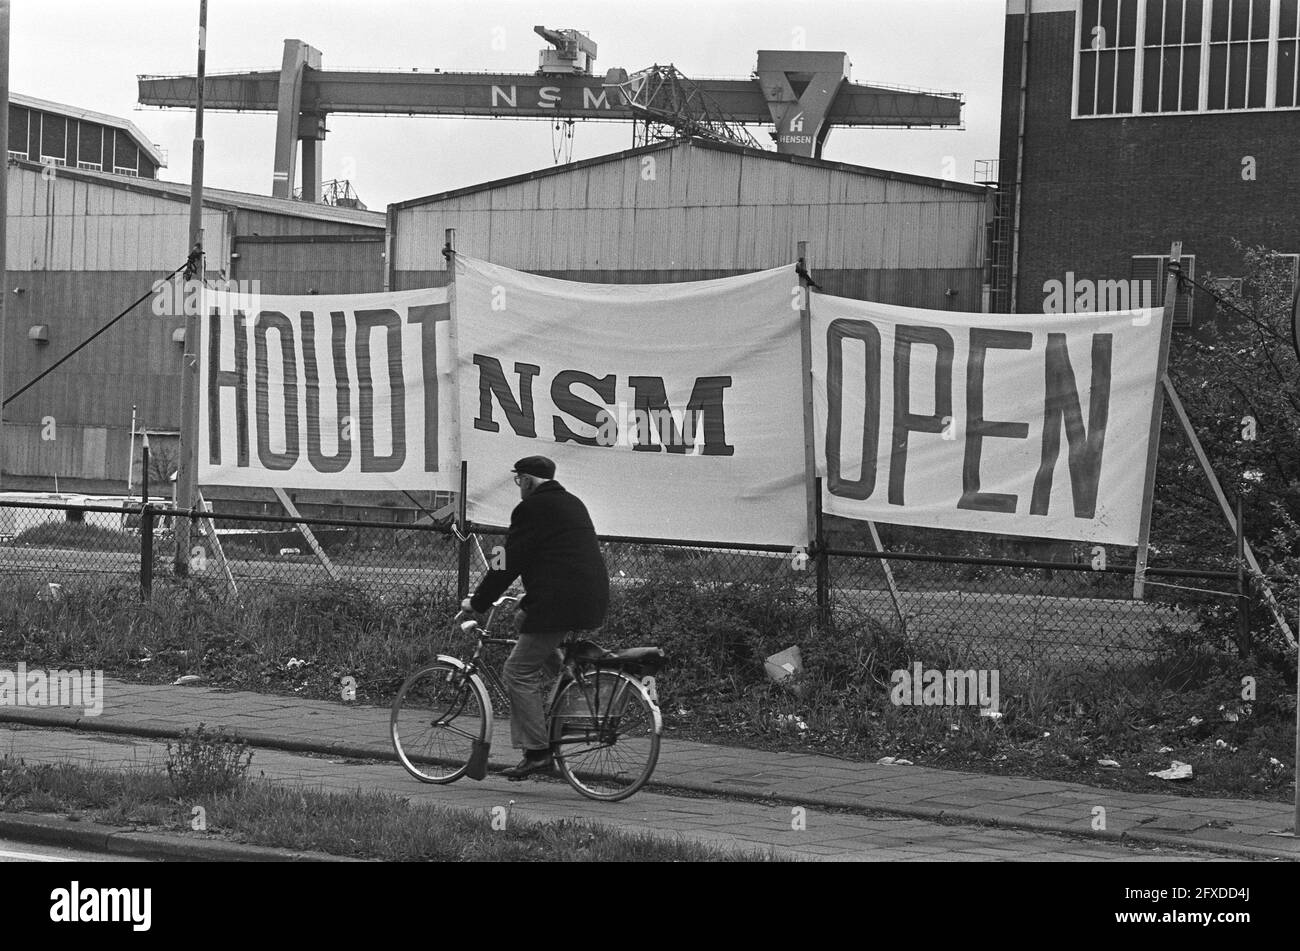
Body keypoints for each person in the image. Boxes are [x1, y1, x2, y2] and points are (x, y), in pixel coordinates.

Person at [460, 455, 609, 779]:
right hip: (587, 597)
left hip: (561, 601)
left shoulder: (530, 508)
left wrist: (479, 601)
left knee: (516, 671)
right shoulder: (570, 503)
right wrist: (530, 596)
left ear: (526, 481)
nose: (519, 488)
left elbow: (507, 562)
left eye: (518, 481)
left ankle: (538, 752)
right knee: (521, 620)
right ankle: (566, 686)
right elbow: (558, 557)